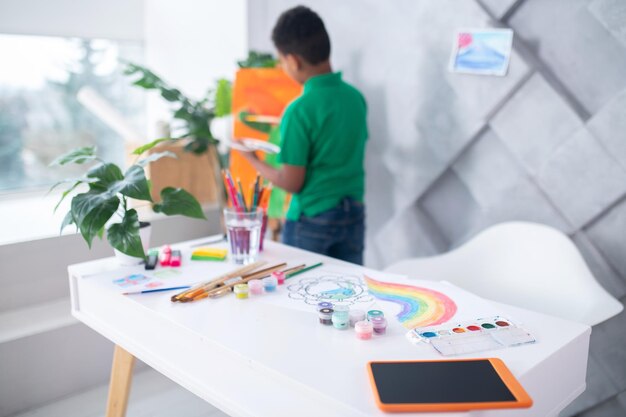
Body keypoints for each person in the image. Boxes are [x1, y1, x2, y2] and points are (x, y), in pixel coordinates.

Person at [240, 5, 368, 265]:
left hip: (312, 220)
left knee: (301, 297)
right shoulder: (355, 98)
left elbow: (291, 182)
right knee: (350, 294)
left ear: (294, 60)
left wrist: (252, 159)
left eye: (281, 60)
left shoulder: (299, 110)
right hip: (353, 214)